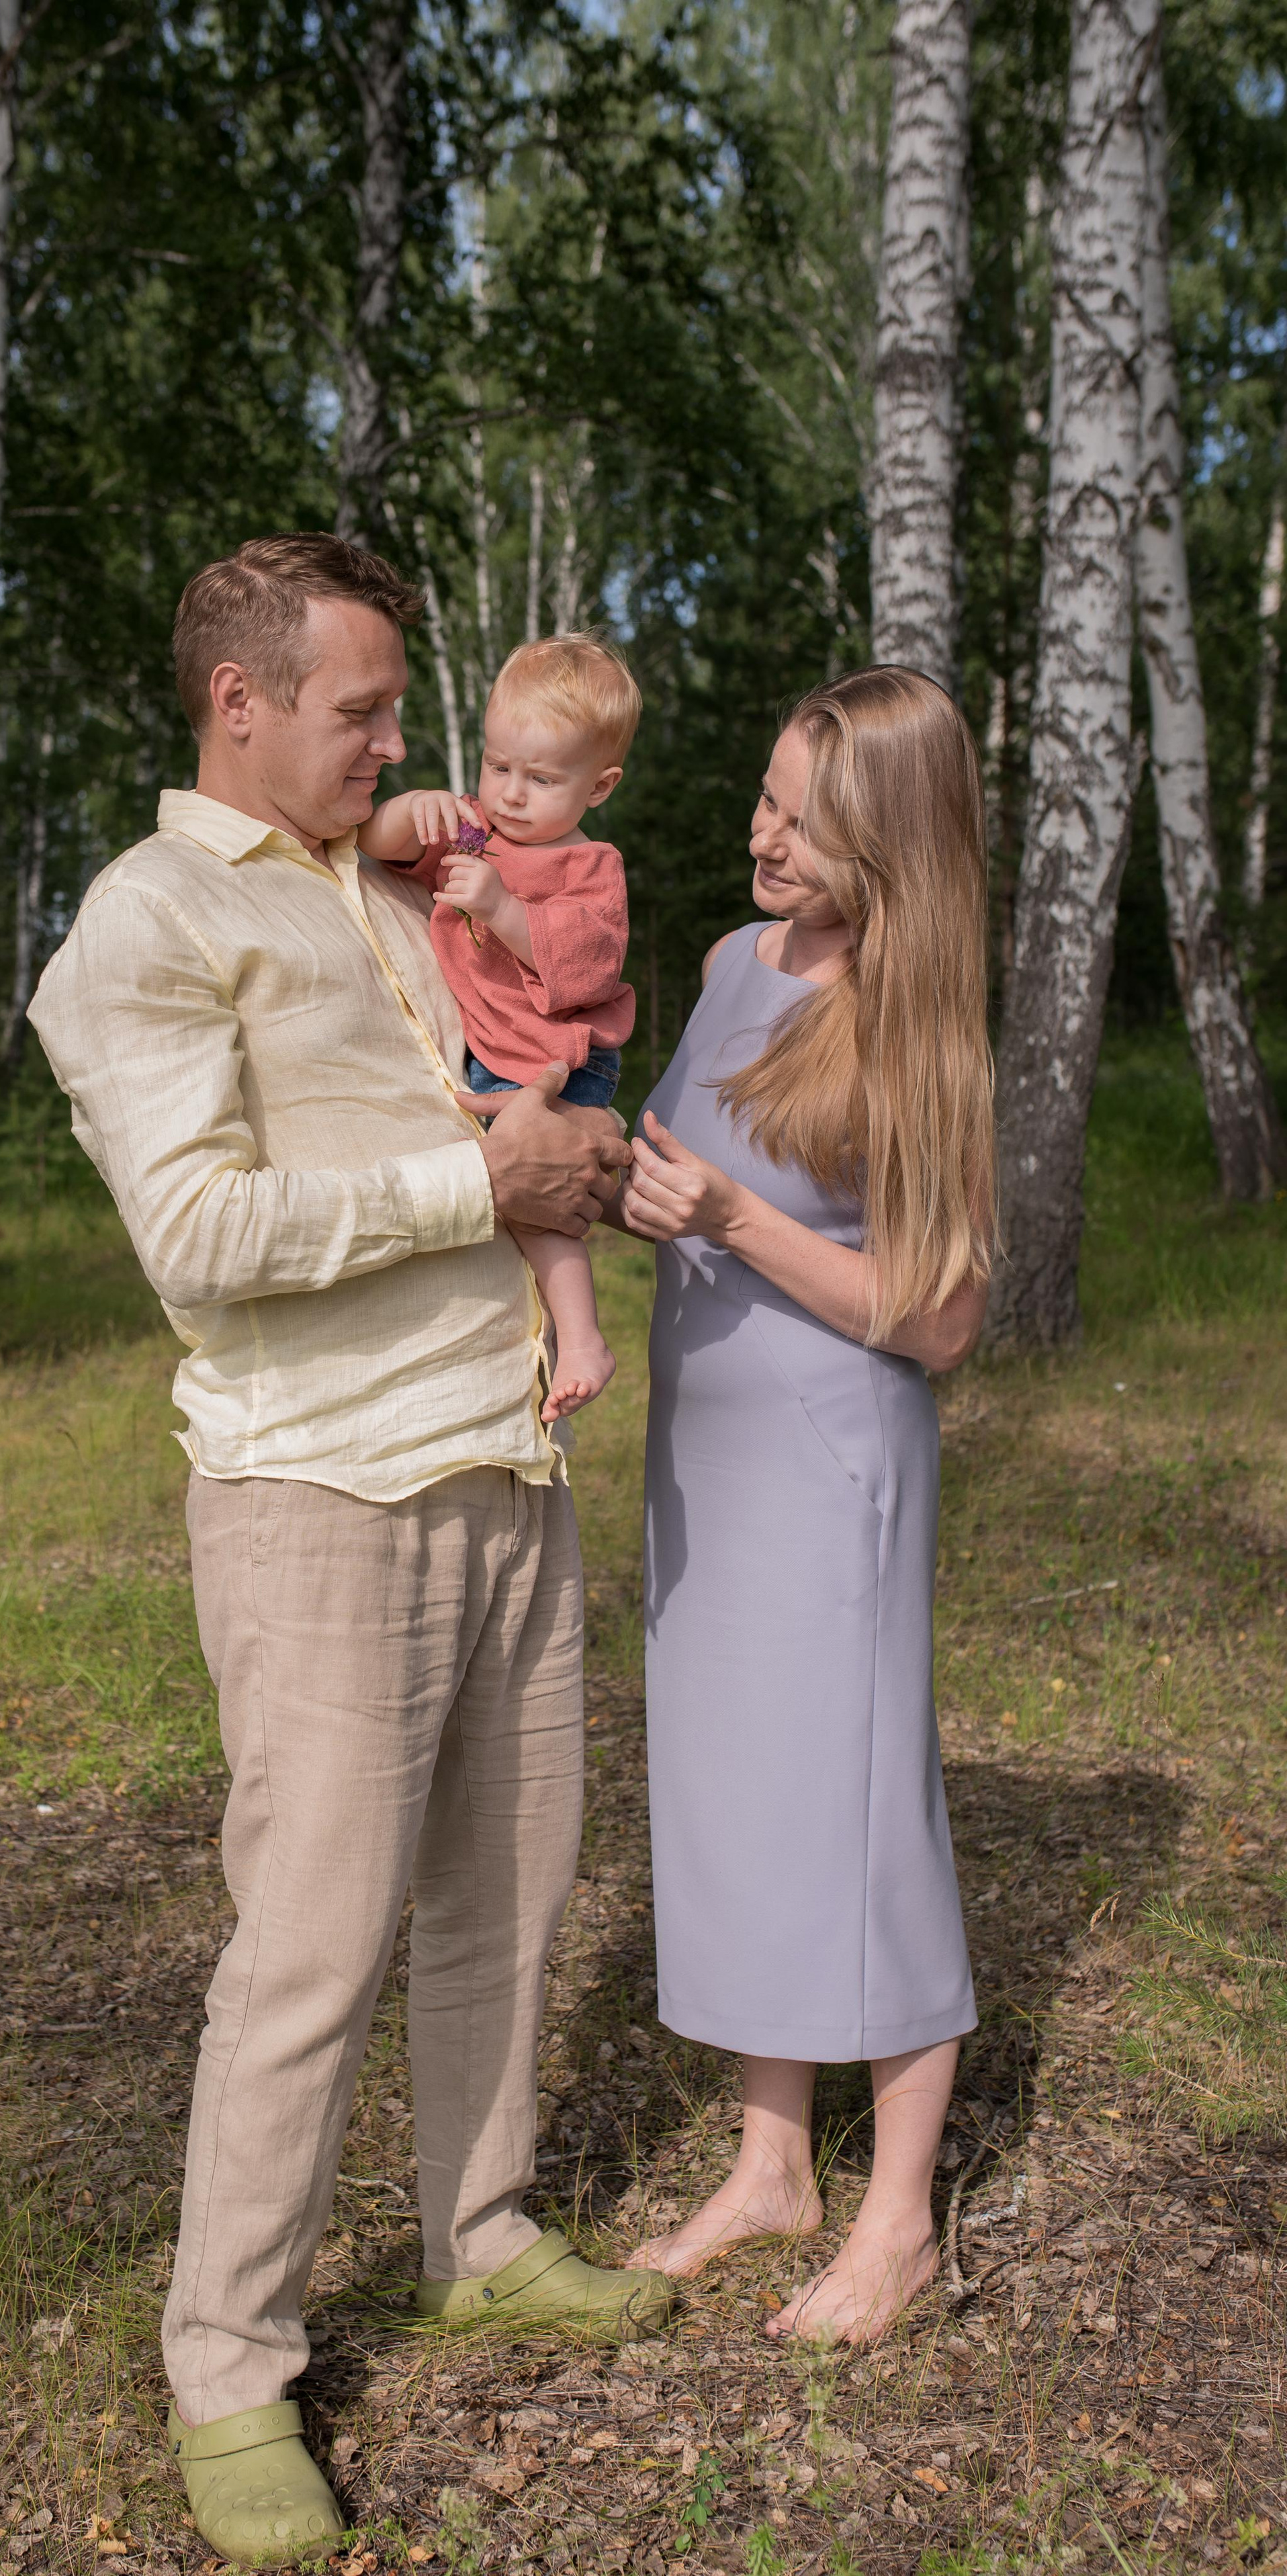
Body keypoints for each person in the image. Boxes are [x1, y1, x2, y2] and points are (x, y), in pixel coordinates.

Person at [28, 532, 672, 2569]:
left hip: (501, 1463)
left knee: (506, 1894)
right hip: (316, 1492)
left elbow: (535, 1001)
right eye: (365, 710)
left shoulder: (376, 891)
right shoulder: (137, 928)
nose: (408, 745)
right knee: (307, 1947)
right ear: (240, 700)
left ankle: (477, 2232)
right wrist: (475, 1178)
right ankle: (229, 2364)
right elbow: (201, 1242)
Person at [615, 667, 993, 2345]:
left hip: (834, 1460)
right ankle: (774, 2159)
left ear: (889, 842)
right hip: (705, 1449)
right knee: (733, 1796)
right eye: (763, 798)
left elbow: (942, 1314)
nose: (759, 834)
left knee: (853, 1814)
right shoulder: (721, 966)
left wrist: (725, 1218)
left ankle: (898, 2217)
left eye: (802, 820)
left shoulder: (914, 1013)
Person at [363, 632, 639, 1420]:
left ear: (599, 786)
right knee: (507, 1199)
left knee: (534, 1202)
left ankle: (581, 1336)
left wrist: (505, 911)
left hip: (556, 1060)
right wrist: (403, 814)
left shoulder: (589, 866)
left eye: (543, 778)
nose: (511, 794)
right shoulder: (479, 829)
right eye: (498, 766)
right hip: (497, 1056)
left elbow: (587, 968)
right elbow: (378, 852)